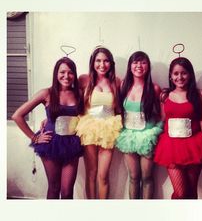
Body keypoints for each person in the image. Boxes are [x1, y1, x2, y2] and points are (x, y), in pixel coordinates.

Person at [12, 57, 84, 199]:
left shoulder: (79, 93)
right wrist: (34, 137)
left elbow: (82, 115)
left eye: (70, 72)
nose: (66, 76)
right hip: (50, 143)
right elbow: (17, 115)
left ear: (74, 75)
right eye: (62, 72)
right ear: (56, 74)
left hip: (72, 144)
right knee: (54, 187)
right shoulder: (46, 93)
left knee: (68, 191)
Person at [153, 56, 202, 199]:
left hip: (194, 145)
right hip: (171, 147)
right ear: (170, 76)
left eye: (184, 73)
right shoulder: (165, 96)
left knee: (191, 193)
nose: (180, 77)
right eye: (176, 73)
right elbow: (163, 119)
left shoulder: (200, 95)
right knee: (181, 193)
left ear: (190, 74)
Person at [76, 46, 122, 199]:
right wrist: (49, 116)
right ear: (92, 62)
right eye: (98, 61)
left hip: (109, 128)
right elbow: (66, 96)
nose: (102, 65)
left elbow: (125, 104)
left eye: (106, 61)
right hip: (89, 127)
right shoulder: (84, 80)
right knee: (91, 173)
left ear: (111, 63)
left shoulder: (116, 81)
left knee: (103, 175)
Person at [115, 51, 163, 199]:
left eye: (143, 62)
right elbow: (117, 109)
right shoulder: (123, 85)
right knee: (134, 177)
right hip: (128, 136)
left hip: (147, 136)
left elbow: (162, 113)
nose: (139, 66)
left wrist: (156, 130)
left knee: (147, 177)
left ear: (148, 66)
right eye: (135, 62)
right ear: (130, 66)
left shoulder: (154, 88)